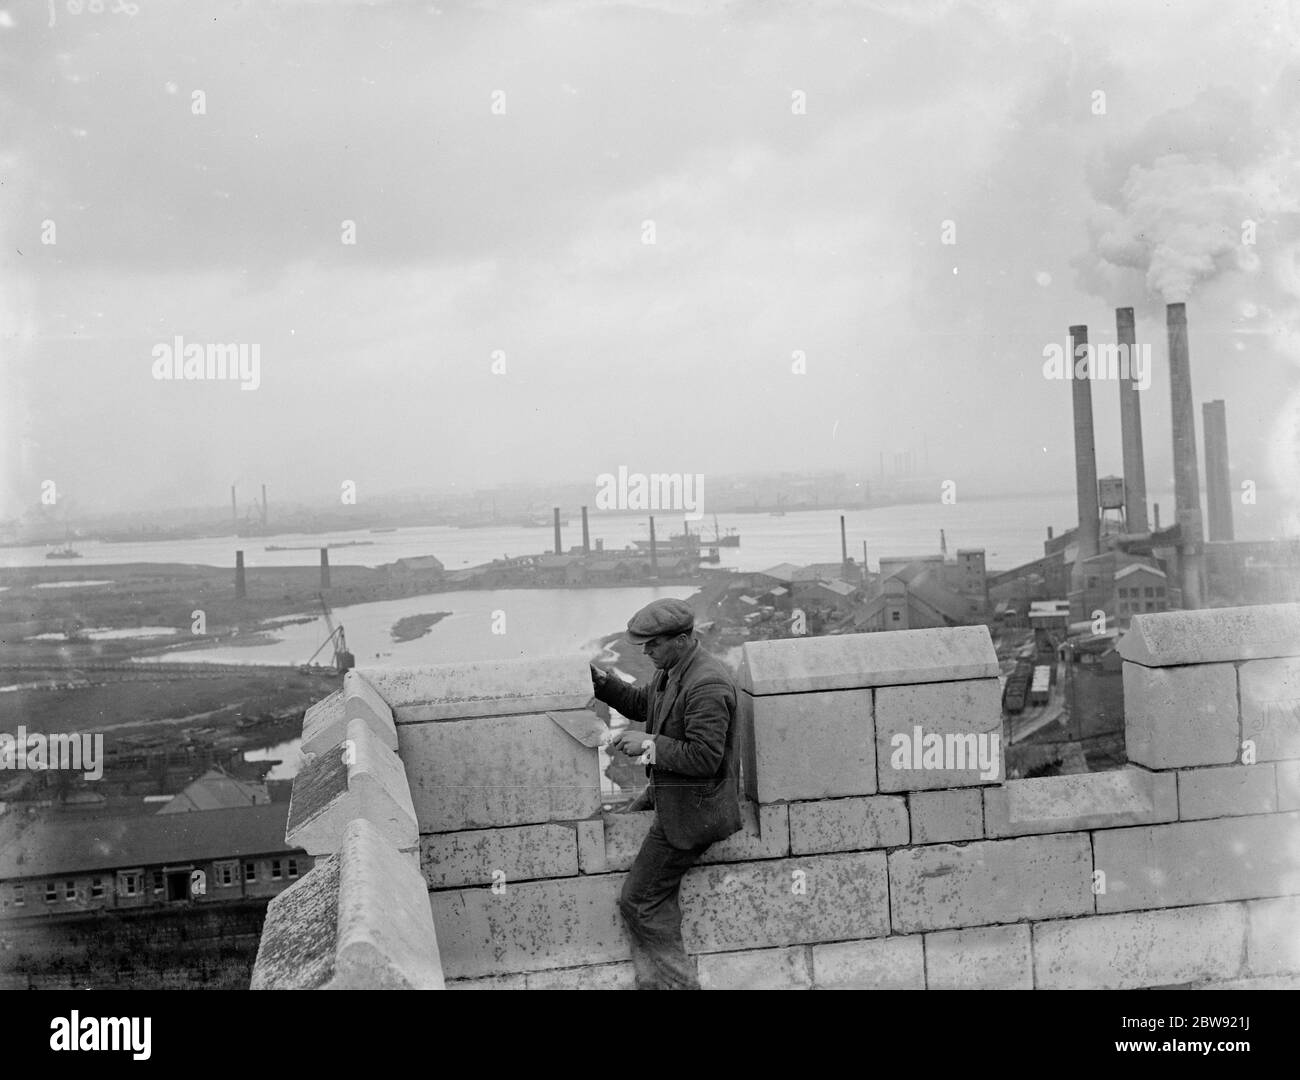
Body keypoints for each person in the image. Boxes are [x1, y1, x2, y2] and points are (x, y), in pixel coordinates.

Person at [590, 597, 742, 989]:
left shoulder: (706, 683)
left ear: (681, 639)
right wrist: (601, 682)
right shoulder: (673, 667)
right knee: (652, 892)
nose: (646, 651)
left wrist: (650, 744)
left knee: (639, 900)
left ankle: (679, 985)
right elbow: (643, 703)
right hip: (669, 795)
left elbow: (705, 758)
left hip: (694, 812)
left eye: (653, 644)